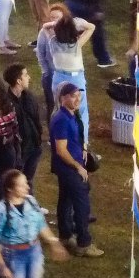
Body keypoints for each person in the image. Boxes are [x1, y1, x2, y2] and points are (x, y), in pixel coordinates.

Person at [49, 86, 102, 258]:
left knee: (65, 200)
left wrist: (83, 150)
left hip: (69, 166)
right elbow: (61, 150)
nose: (78, 99)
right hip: (69, 168)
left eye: (79, 96)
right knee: (81, 204)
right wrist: (78, 167)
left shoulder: (71, 115)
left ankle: (65, 235)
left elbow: (73, 140)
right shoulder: (61, 120)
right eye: (73, 96)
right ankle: (83, 243)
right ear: (63, 98)